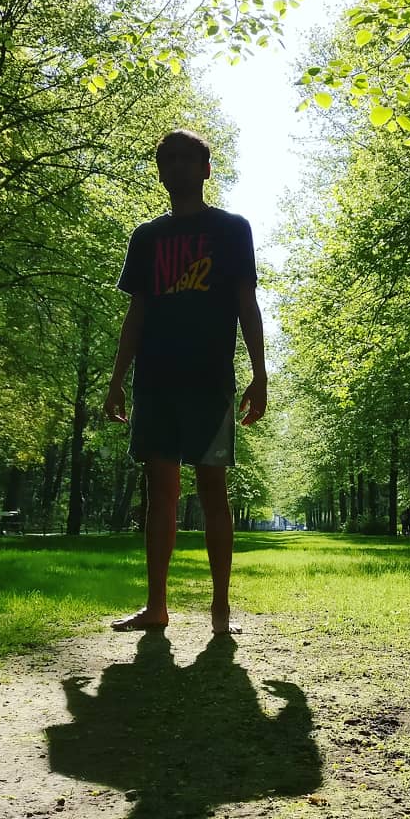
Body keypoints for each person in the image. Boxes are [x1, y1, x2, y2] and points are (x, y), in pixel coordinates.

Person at [103, 129, 266, 635]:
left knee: (213, 489)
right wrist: (117, 379)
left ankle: (221, 610)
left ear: (205, 169)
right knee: (161, 493)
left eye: (186, 158)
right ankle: (156, 606)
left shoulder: (232, 230)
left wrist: (260, 374)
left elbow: (246, 304)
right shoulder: (146, 237)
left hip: (209, 379)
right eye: (167, 159)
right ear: (160, 171)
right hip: (155, 381)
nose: (176, 166)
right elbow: (136, 313)